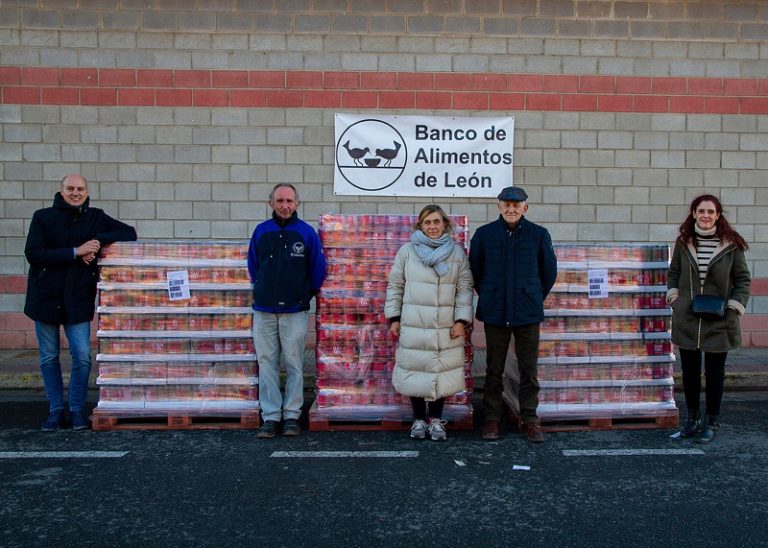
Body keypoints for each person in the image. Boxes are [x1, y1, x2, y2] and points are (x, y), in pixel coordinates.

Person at [24, 174, 137, 431]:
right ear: (61, 191)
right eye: (71, 188)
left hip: (76, 298)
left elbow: (129, 233)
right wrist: (77, 251)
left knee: (83, 357)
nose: (76, 193)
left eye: (81, 189)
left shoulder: (95, 216)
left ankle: (76, 410)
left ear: (87, 191)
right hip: (45, 298)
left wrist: (95, 244)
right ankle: (55, 410)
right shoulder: (43, 217)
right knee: (49, 357)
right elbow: (34, 254)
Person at [469, 186, 558, 443]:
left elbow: (548, 272)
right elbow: (476, 271)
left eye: (516, 205)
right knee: (494, 369)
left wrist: (531, 296)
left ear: (525, 208)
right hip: (495, 311)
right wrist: (490, 293)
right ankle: (492, 420)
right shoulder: (484, 235)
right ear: (498, 206)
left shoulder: (539, 235)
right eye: (506, 204)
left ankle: (529, 419)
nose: (511, 209)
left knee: (528, 370)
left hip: (527, 312)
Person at [385, 205, 474, 441]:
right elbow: (396, 286)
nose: (432, 226)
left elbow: (464, 289)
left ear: (444, 224)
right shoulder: (407, 252)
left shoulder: (456, 254)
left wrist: (461, 320)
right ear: (420, 226)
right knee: (416, 369)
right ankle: (417, 420)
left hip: (445, 324)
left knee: (439, 371)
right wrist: (394, 318)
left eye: (436, 221)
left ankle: (435, 420)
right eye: (427, 222)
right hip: (414, 322)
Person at [667, 194, 750, 444]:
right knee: (690, 373)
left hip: (719, 319)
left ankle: (711, 421)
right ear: (693, 213)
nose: (705, 216)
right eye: (701, 211)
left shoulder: (731, 245)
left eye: (711, 212)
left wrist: (734, 307)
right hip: (689, 318)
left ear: (717, 215)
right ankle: (691, 421)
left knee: (715, 373)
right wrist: (675, 298)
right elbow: (674, 273)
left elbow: (743, 281)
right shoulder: (684, 243)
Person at [248, 183, 326, 438]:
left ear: (297, 204)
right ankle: (270, 417)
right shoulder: (261, 232)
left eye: (289, 201)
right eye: (280, 200)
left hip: (294, 311)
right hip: (264, 311)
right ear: (271, 203)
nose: (285, 205)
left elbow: (317, 270)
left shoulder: (306, 233)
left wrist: (303, 294)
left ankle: (292, 415)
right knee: (267, 363)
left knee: (293, 363)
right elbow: (253, 266)